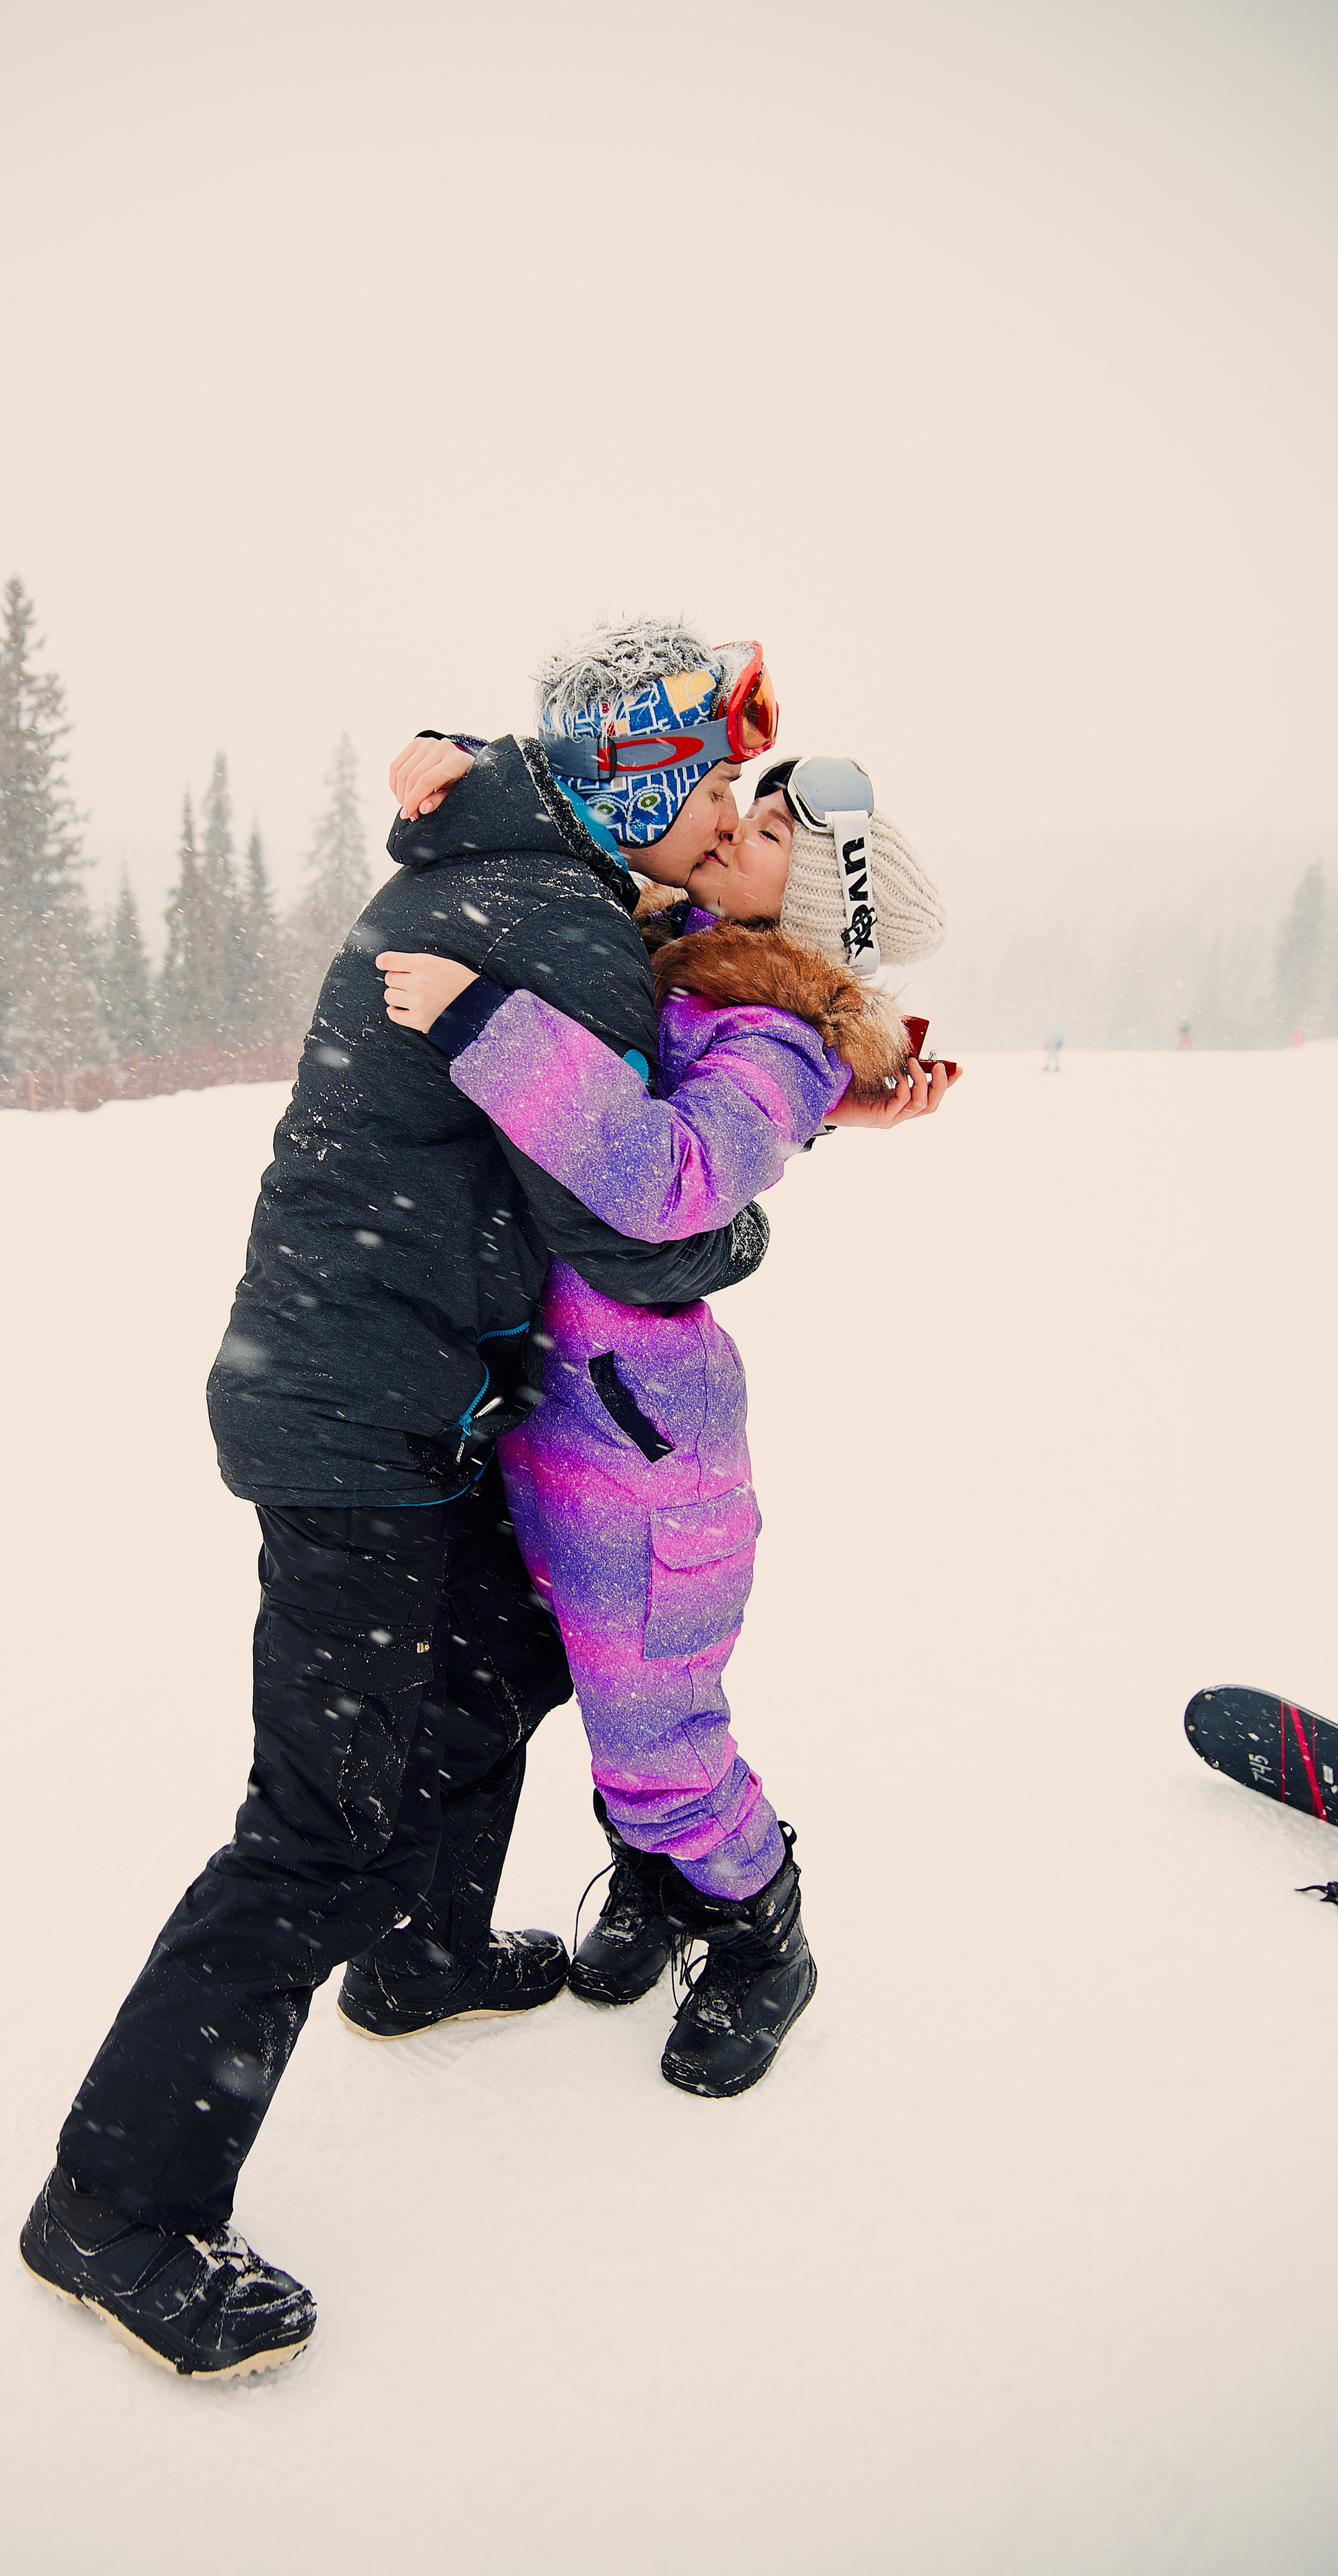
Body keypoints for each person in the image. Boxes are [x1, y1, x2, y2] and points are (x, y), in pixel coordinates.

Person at [19, 627, 777, 2380]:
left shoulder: (511, 870)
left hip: (395, 1389)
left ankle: (423, 1951)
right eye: (713, 787)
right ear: (636, 789)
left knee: (502, 1653)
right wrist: (750, 1209)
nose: (730, 816)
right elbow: (641, 1231)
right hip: (359, 1420)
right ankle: (112, 2211)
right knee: (312, 1823)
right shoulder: (558, 928)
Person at [380, 701, 953, 2099]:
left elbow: (664, 1180)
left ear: (803, 901)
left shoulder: (777, 1031)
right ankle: (656, 1882)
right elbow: (581, 811)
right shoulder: (692, 970)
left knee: (657, 1725)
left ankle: (760, 1937)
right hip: (568, 1423)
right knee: (605, 1686)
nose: (726, 826)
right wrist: (444, 773)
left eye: (759, 831)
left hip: (648, 1444)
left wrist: (484, 1022)